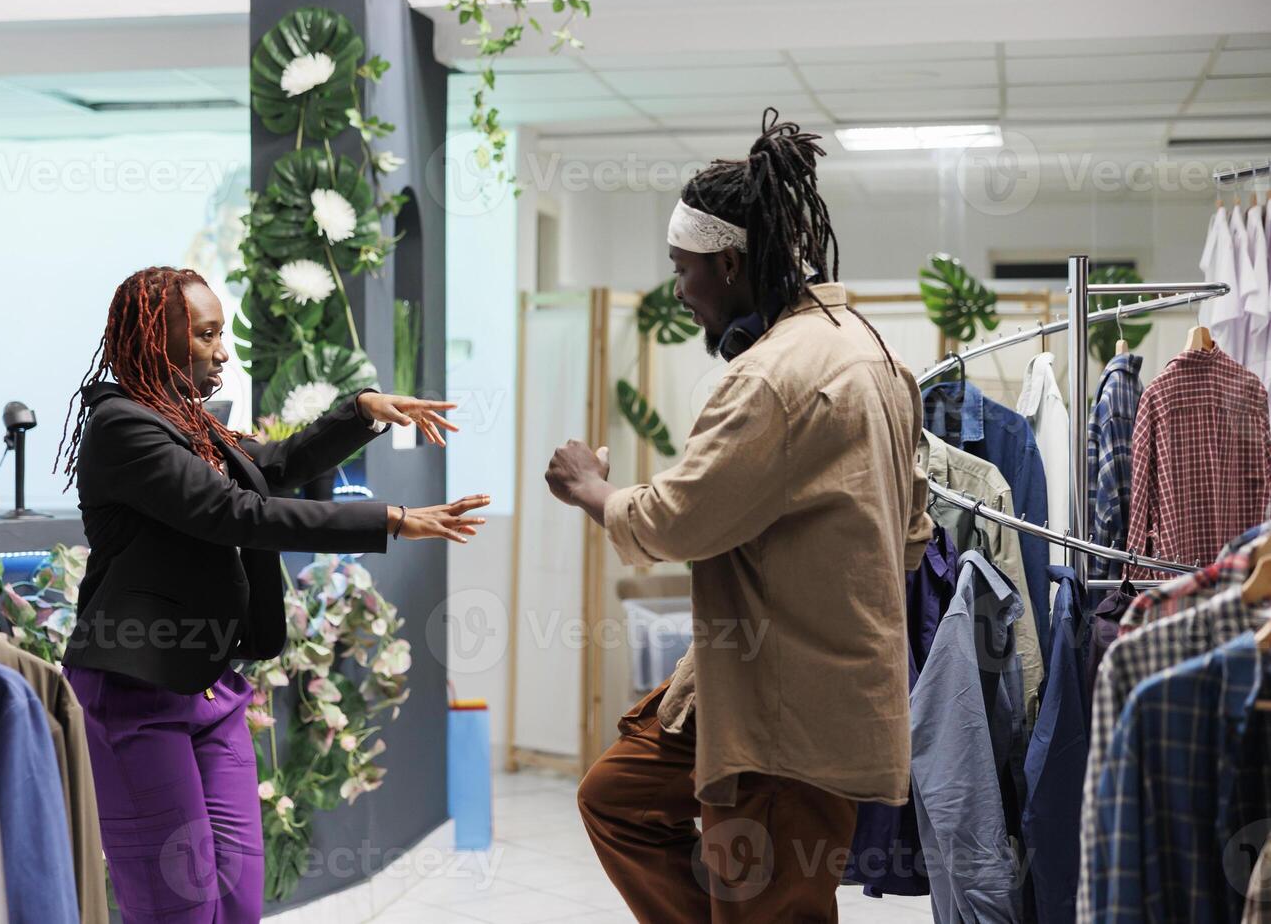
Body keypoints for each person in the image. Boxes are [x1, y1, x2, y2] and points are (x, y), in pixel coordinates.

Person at [545, 112, 932, 923]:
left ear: (729, 262)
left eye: (684, 271)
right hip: (762, 684)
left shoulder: (770, 378)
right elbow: (913, 534)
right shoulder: (870, 349)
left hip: (785, 719)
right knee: (618, 797)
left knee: (771, 902)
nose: (679, 293)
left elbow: (680, 520)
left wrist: (591, 489)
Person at [53, 266, 490, 924]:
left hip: (210, 689)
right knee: (180, 908)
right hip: (137, 694)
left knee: (236, 901)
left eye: (221, 334)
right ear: (155, 341)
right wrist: (391, 518)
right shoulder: (124, 429)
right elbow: (238, 514)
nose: (222, 350)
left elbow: (273, 467)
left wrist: (360, 413)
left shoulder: (190, 425)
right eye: (205, 335)